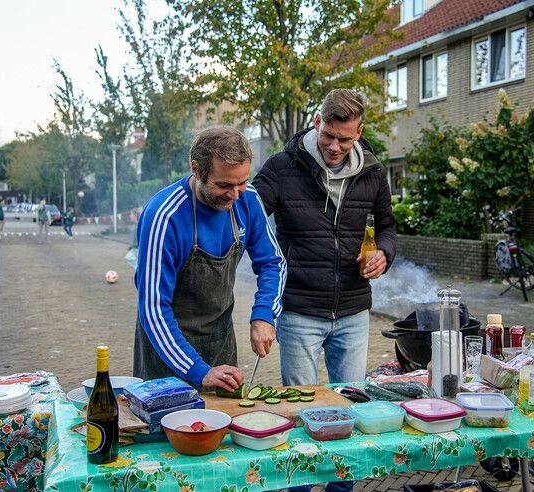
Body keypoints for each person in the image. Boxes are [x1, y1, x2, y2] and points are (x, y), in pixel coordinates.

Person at [253, 88, 396, 385]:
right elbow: (246, 218)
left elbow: (387, 228)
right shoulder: (282, 167)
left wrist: (384, 253)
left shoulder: (374, 173)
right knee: (302, 408)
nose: (334, 146)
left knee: (350, 402)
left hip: (354, 312)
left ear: (359, 132)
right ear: (318, 121)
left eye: (344, 139)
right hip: (298, 311)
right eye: (328, 135)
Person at [133, 126, 286, 392]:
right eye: (224, 185)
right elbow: (153, 309)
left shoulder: (248, 200)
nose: (235, 194)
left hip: (220, 338)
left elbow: (273, 263)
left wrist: (264, 315)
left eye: (242, 182)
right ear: (196, 169)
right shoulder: (164, 216)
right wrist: (197, 370)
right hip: (168, 346)